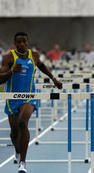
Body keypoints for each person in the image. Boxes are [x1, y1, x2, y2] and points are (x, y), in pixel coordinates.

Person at [0, 32, 63, 173]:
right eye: (19, 42)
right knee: (14, 132)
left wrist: (53, 79)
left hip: (29, 96)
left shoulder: (34, 55)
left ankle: (23, 163)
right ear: (15, 43)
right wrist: (11, 72)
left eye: (24, 41)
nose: (22, 44)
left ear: (28, 42)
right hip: (12, 98)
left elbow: (41, 66)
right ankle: (17, 150)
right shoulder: (8, 58)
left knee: (23, 123)